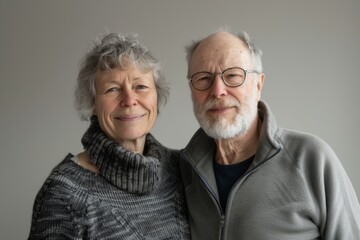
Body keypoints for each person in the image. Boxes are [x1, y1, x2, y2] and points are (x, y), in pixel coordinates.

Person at [179, 29, 360, 239]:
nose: (218, 90)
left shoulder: (311, 159)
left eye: (233, 76)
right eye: (203, 78)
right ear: (192, 90)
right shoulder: (182, 172)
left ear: (258, 85)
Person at [28, 33, 190, 239]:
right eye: (112, 89)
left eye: (140, 86)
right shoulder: (64, 193)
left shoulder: (182, 169)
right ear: (92, 104)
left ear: (157, 98)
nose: (130, 100)